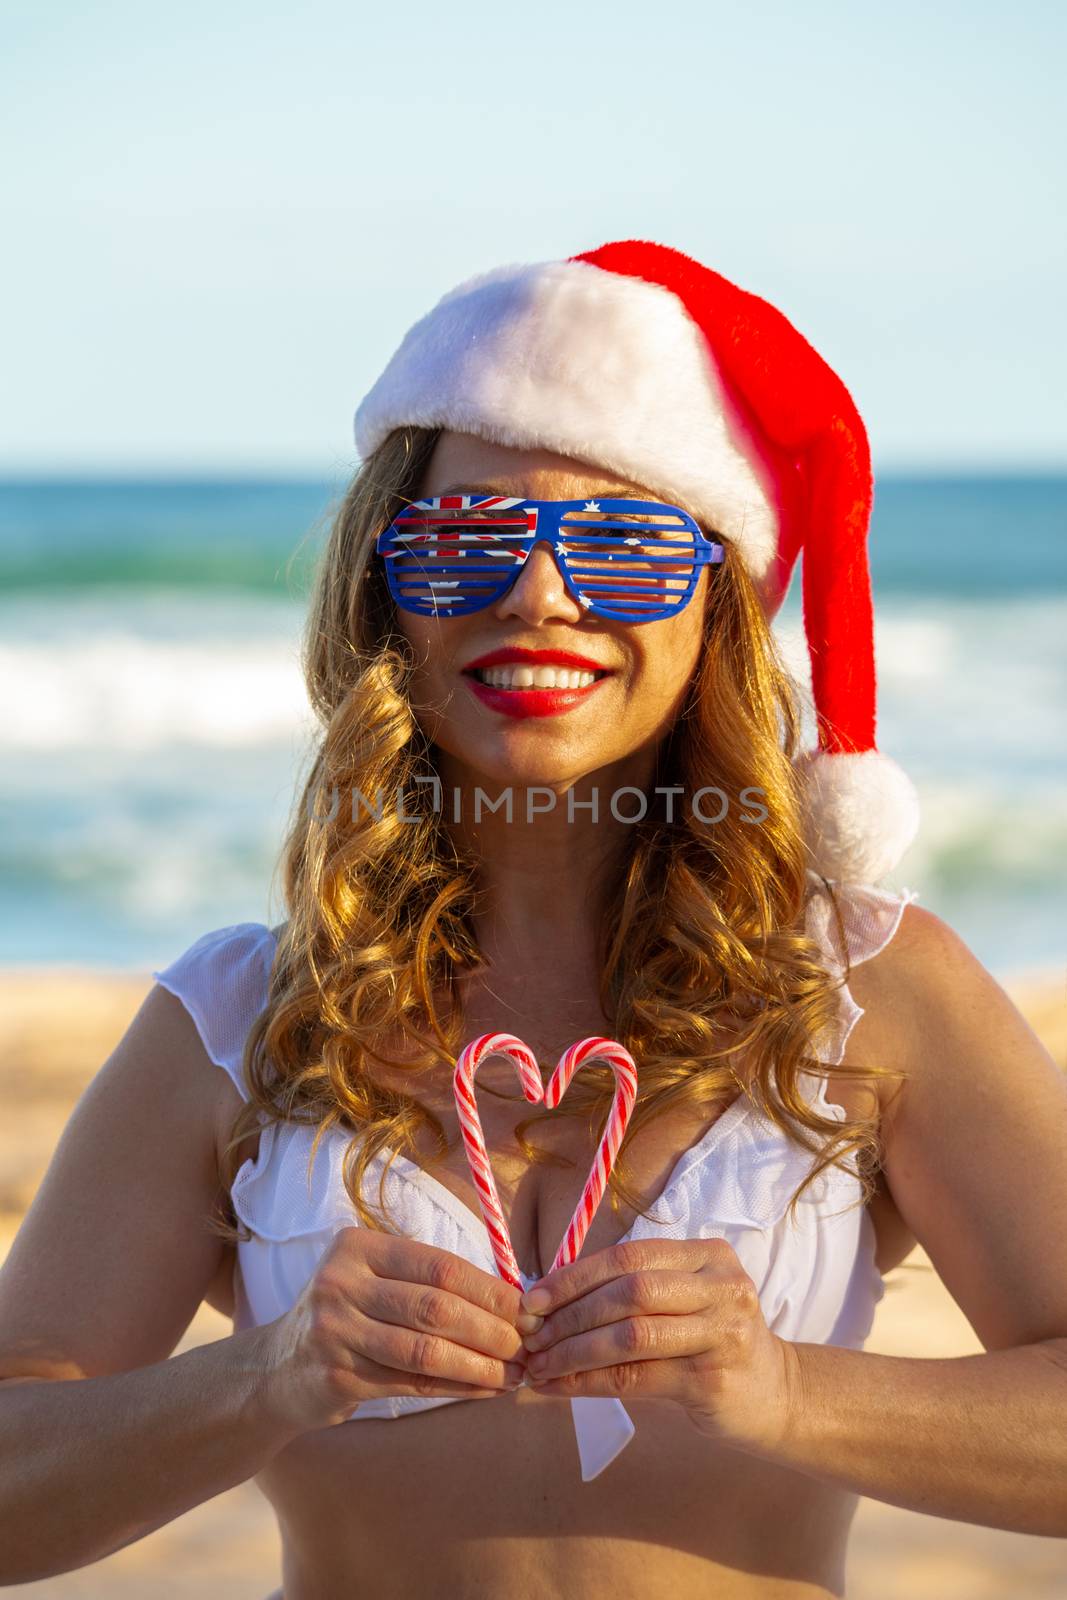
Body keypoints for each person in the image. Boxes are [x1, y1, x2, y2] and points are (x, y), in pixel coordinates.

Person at [1, 240, 1066, 1599]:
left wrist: (787, 1390)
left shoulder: (866, 992)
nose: (541, 596)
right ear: (387, 592)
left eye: (621, 549)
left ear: (717, 610)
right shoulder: (243, 1023)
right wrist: (267, 1378)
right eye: (464, 547)